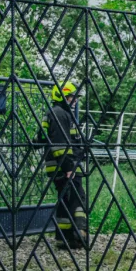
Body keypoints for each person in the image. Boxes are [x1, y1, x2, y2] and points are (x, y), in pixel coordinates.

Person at [39, 80, 88, 250]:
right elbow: (60, 144)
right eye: (71, 97)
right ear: (62, 97)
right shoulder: (60, 114)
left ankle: (63, 239)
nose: (74, 101)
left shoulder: (56, 113)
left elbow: (40, 138)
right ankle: (79, 233)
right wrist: (69, 167)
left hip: (59, 165)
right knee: (77, 197)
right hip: (65, 166)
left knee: (65, 200)